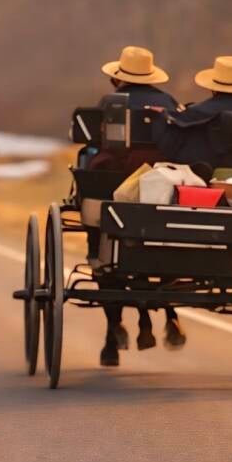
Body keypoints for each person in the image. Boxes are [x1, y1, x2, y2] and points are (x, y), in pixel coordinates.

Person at [88, 46, 187, 367]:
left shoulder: (109, 103)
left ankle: (112, 332)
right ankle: (166, 312)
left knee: (100, 233)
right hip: (161, 182)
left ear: (118, 78)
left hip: (118, 180)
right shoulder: (169, 102)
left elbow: (96, 141)